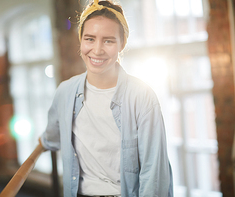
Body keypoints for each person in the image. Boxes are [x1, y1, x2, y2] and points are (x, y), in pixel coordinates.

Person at [38, 0, 173, 196]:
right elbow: (52, 134)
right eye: (89, 39)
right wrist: (41, 145)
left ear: (122, 43)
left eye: (108, 40)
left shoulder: (142, 97)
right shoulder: (65, 92)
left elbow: (154, 176)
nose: (97, 50)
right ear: (81, 40)